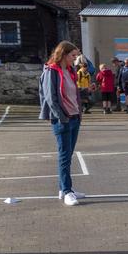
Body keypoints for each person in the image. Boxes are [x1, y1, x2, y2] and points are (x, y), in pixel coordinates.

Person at [39, 41, 85, 206]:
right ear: (64, 54)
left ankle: (64, 189)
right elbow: (51, 98)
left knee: (69, 155)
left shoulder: (71, 70)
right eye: (73, 55)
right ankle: (67, 191)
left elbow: (74, 93)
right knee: (64, 157)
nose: (75, 59)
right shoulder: (51, 71)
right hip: (62, 120)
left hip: (74, 117)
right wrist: (62, 117)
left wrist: (79, 113)